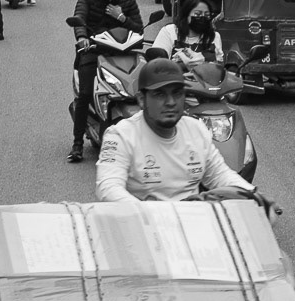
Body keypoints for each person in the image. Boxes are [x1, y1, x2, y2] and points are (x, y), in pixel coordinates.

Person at [96, 58, 257, 204]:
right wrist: (147, 212)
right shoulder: (120, 136)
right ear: (141, 99)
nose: (171, 102)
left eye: (177, 93)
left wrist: (254, 196)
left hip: (190, 227)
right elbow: (108, 188)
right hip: (143, 228)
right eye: (160, 94)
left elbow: (220, 175)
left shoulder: (196, 130)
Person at [68, 0, 143, 163]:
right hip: (93, 51)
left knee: (141, 89)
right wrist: (82, 37)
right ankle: (77, 145)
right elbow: (79, 18)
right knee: (84, 93)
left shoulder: (126, 0)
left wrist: (121, 18)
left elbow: (139, 29)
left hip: (122, 52)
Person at [152, 0, 223, 64]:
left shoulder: (214, 37)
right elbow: (156, 63)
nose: (202, 17)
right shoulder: (170, 32)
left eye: (207, 15)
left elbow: (219, 66)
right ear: (186, 15)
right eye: (197, 14)